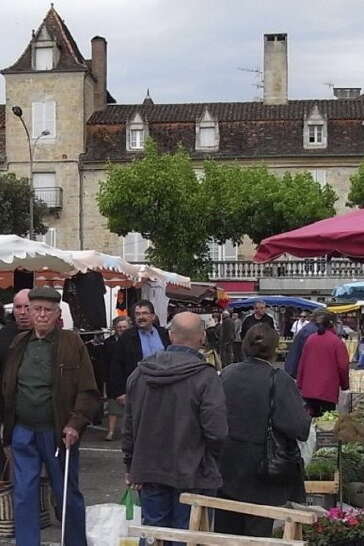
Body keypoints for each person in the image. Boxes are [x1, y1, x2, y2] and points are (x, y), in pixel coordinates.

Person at [2, 287, 100, 546]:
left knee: (66, 492)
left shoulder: (72, 342)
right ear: (29, 312)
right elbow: (8, 386)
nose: (41, 315)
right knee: (23, 493)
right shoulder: (19, 343)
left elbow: (88, 389)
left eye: (48, 310)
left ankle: (75, 542)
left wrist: (76, 423)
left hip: (58, 431)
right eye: (36, 309)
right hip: (23, 430)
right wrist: (7, 429)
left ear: (58, 314)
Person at [122, 312, 227, 543]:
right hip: (193, 471)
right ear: (201, 338)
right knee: (186, 534)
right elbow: (217, 431)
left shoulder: (140, 373)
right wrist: (209, 458)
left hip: (149, 469)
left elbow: (129, 426)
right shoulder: (206, 377)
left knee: (152, 533)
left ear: (170, 335)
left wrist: (131, 464)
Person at [215, 323, 310, 538]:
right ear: (274, 348)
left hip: (226, 465)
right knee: (257, 534)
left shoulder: (227, 374)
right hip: (263, 470)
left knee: (225, 533)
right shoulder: (279, 379)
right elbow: (298, 427)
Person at [109, 300, 170, 404]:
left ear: (153, 316)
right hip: (139, 390)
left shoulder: (164, 334)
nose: (141, 317)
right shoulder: (127, 337)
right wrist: (119, 392)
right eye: (138, 314)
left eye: (145, 313)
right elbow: (116, 365)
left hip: (165, 387)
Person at [297, 313, 349, 417]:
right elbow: (343, 367)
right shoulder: (336, 342)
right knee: (326, 424)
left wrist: (300, 383)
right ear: (333, 324)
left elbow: (302, 363)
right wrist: (345, 385)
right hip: (327, 391)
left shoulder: (310, 339)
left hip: (309, 390)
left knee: (311, 424)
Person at [103, 316, 132, 441]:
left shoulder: (134, 341)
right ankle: (110, 432)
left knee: (131, 408)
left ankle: (128, 432)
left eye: (124, 327)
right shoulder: (109, 342)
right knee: (113, 407)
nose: (122, 329)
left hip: (130, 376)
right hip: (113, 377)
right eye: (119, 327)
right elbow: (104, 361)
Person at [285, 308, 330, 378]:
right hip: (298, 369)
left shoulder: (310, 328)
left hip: (294, 367)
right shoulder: (312, 331)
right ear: (320, 318)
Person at [0, 289, 32, 371]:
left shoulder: (45, 334)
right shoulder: (3, 334)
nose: (22, 312)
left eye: (27, 307)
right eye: (18, 307)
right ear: (13, 309)